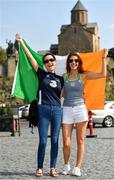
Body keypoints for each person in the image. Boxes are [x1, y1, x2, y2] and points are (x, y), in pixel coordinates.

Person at [16, 34, 64, 177]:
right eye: (47, 61)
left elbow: (62, 95)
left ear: (55, 62)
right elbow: (31, 58)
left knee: (55, 140)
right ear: (44, 64)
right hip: (43, 109)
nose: (49, 62)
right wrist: (22, 42)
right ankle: (39, 167)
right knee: (43, 141)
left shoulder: (61, 78)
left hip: (57, 110)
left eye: (51, 60)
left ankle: (53, 168)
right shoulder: (42, 74)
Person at [61, 51, 107, 177]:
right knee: (66, 142)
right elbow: (61, 93)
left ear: (79, 62)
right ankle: (66, 164)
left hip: (80, 109)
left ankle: (77, 167)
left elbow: (102, 74)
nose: (73, 62)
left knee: (80, 140)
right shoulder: (64, 76)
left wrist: (103, 58)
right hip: (66, 109)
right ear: (68, 62)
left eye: (76, 60)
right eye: (71, 60)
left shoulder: (83, 76)